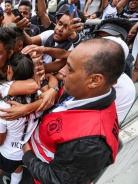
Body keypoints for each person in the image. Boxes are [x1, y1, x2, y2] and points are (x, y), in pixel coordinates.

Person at [22, 38, 124, 184]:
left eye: (70, 69)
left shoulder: (91, 143)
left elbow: (57, 179)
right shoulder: (85, 92)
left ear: (95, 80)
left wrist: (27, 155)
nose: (63, 73)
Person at [0, 52, 43, 184]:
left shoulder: (4, 106)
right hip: (26, 151)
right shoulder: (40, 96)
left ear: (9, 70)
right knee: (17, 169)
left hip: (7, 152)